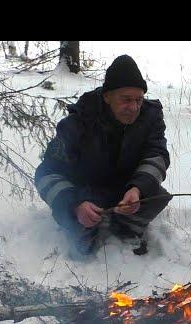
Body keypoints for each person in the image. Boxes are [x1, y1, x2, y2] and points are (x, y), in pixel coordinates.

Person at [34, 55, 171, 256]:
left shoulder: (150, 117)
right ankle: (85, 228)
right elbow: (46, 174)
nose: (134, 108)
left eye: (138, 100)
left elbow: (157, 155)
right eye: (126, 100)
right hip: (85, 195)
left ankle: (126, 227)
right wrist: (75, 204)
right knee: (82, 249)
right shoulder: (77, 123)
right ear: (107, 97)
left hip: (126, 192)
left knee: (156, 193)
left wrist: (137, 189)